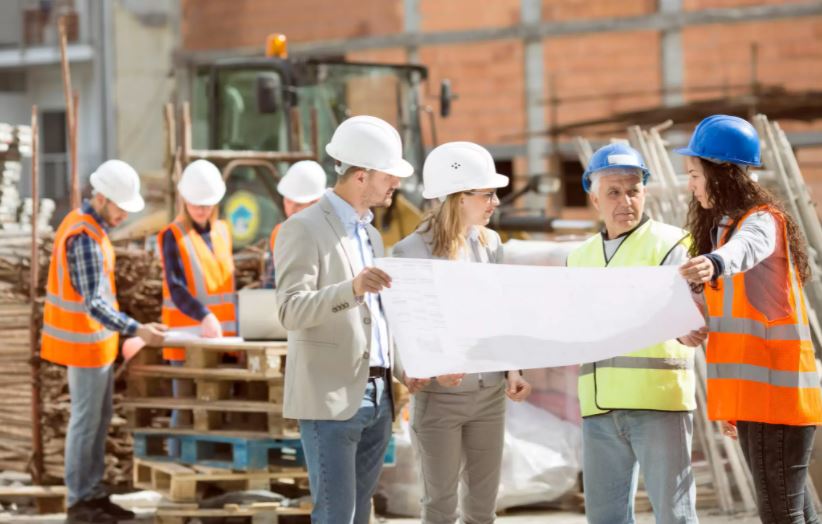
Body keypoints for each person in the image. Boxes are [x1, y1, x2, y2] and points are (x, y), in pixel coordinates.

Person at [274, 115, 428, 523]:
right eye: (388, 174)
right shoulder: (302, 229)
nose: (395, 182)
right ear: (361, 175)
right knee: (335, 515)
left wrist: (401, 369)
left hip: (378, 397)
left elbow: (378, 316)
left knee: (361, 515)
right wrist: (352, 289)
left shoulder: (371, 234)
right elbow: (290, 310)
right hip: (332, 399)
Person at [678, 115, 822, 523]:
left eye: (694, 173)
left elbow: (748, 248)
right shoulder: (722, 230)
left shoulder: (759, 222)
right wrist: (694, 324)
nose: (690, 183)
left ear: (721, 175)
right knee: (797, 514)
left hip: (776, 400)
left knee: (781, 515)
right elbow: (730, 314)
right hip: (759, 401)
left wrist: (715, 262)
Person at [392, 141, 532, 524]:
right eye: (487, 194)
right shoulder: (410, 253)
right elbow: (402, 328)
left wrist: (514, 369)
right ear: (457, 198)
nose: (495, 202)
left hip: (490, 396)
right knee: (440, 507)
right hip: (441, 399)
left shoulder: (491, 245)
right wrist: (426, 366)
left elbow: (503, 315)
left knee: (483, 510)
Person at [566, 143, 707, 524]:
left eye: (634, 189)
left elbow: (693, 312)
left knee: (674, 515)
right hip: (599, 409)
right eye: (613, 192)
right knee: (606, 518)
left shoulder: (675, 243)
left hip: (658, 403)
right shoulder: (577, 258)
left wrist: (689, 326)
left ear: (645, 192)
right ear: (594, 198)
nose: (625, 200)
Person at [41, 160, 167, 523]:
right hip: (84, 346)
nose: (123, 214)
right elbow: (94, 303)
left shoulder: (89, 229)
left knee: (96, 420)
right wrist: (137, 329)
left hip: (94, 346)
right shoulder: (84, 236)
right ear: (102, 198)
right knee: (86, 422)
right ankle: (81, 501)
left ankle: (91, 494)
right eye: (120, 207)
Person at [157, 159, 237, 454]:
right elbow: (175, 287)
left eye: (207, 204)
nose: (201, 210)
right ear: (184, 200)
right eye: (195, 204)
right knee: (186, 406)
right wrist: (203, 315)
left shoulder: (223, 232)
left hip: (223, 339)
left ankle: (207, 467)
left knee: (214, 407)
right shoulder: (172, 235)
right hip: (186, 337)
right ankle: (179, 464)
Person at [264, 160, 326, 287]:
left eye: (298, 204)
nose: (290, 210)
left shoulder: (333, 234)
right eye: (287, 201)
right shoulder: (279, 233)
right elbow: (271, 284)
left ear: (316, 202)